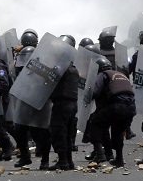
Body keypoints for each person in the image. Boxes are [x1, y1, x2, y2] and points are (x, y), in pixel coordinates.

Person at [88, 57, 136, 167]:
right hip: (131, 107)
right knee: (118, 131)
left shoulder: (103, 74)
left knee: (95, 123)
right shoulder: (120, 74)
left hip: (117, 106)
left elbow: (95, 91)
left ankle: (100, 154)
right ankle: (119, 159)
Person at [47, 36, 80, 171]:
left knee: (58, 132)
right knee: (67, 134)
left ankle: (62, 162)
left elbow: (49, 80)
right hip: (72, 105)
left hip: (61, 104)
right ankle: (69, 161)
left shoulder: (62, 68)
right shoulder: (73, 69)